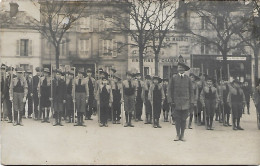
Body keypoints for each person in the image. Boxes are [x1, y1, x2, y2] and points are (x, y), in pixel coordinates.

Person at [167, 60, 193, 141]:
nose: (180, 69)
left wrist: (192, 101)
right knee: (177, 119)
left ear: (184, 69)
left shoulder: (188, 79)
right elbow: (169, 90)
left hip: (186, 102)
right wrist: (170, 100)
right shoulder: (174, 78)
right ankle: (177, 134)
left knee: (184, 119)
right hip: (176, 103)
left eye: (182, 68)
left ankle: (182, 135)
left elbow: (191, 91)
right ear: (177, 69)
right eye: (179, 67)